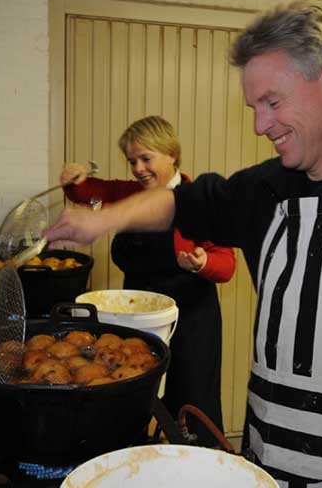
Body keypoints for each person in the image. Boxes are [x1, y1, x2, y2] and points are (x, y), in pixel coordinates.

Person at [46, 1, 322, 486]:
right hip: (268, 453)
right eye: (254, 108)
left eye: (273, 103)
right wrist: (103, 219)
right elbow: (177, 203)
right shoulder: (266, 188)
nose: (261, 126)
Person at [59, 115, 236, 447]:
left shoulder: (199, 200)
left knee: (192, 407)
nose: (138, 169)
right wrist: (73, 178)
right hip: (139, 322)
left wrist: (202, 263)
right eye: (132, 161)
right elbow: (88, 192)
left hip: (191, 324)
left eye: (146, 159)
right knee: (137, 405)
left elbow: (227, 265)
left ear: (171, 154)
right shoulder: (129, 193)